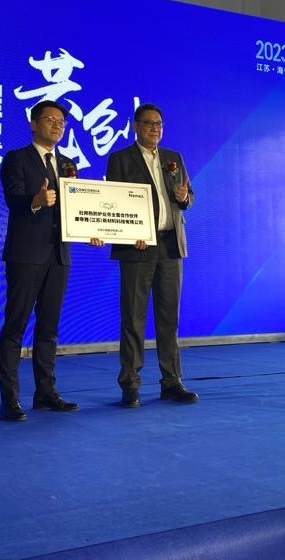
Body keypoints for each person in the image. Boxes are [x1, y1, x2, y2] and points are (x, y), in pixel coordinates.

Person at [106, 103, 198, 408]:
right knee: (133, 317)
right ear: (136, 126)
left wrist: (184, 198)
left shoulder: (174, 158)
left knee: (168, 318)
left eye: (159, 124)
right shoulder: (120, 159)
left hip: (171, 246)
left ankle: (172, 381)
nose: (155, 129)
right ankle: (130, 384)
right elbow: (113, 203)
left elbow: (189, 197)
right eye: (148, 123)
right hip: (137, 247)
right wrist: (128, 232)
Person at [0, 100, 81, 421]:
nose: (57, 125)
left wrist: (91, 228)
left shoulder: (68, 163)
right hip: (26, 255)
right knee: (15, 327)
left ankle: (45, 393)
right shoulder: (16, 158)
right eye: (50, 119)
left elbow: (76, 206)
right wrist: (35, 200)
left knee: (48, 328)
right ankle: (9, 400)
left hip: (59, 255)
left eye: (62, 122)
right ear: (33, 124)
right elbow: (13, 199)